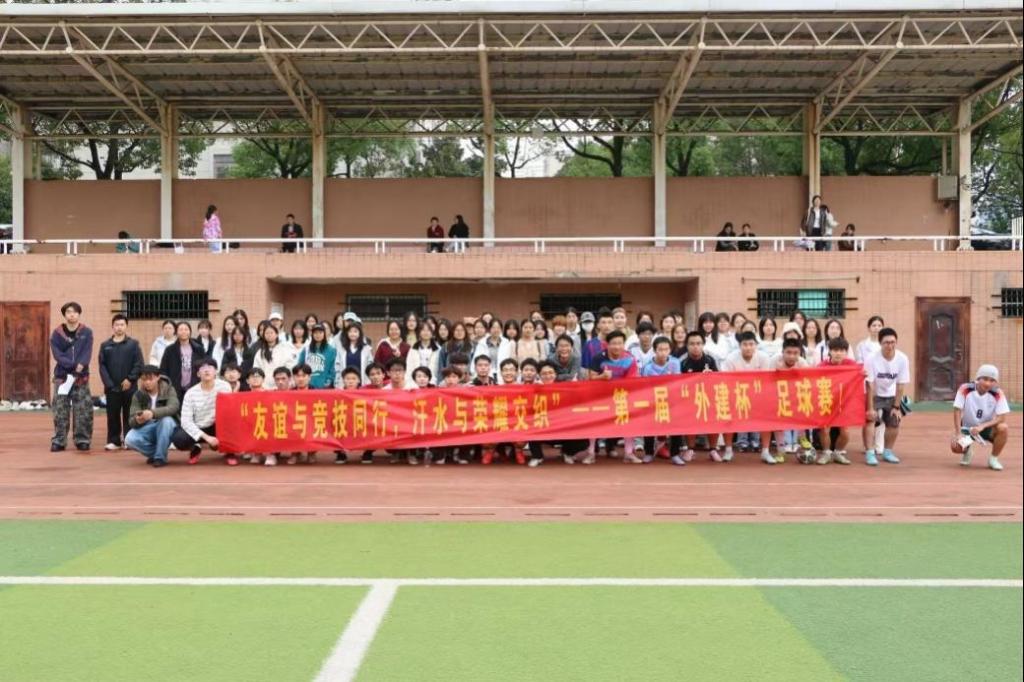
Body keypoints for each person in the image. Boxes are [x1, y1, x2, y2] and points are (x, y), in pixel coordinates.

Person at [49, 301, 95, 452]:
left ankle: (82, 439)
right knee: (60, 409)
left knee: (83, 409)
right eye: (68, 312)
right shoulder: (57, 334)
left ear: (79, 314)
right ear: (64, 315)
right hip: (62, 377)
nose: (72, 315)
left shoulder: (86, 332)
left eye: (75, 312)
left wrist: (81, 365)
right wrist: (72, 366)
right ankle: (59, 440)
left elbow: (87, 352)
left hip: (81, 377)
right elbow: (58, 354)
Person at [588, 330, 639, 463]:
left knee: (630, 419)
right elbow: (591, 378)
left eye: (620, 343)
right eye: (613, 343)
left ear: (624, 344)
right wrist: (602, 377)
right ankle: (591, 453)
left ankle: (629, 453)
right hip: (601, 397)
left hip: (622, 397)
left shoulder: (630, 359)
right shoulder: (598, 358)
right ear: (607, 345)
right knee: (593, 421)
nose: (617, 346)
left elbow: (632, 382)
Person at [527, 361, 589, 467]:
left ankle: (567, 452)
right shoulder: (534, 390)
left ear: (555, 374)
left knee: (583, 441)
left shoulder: (563, 389)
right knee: (530, 429)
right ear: (539, 375)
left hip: (562, 428)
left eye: (550, 373)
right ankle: (537, 456)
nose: (548, 376)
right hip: (542, 428)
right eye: (544, 374)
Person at [171, 357, 232, 465]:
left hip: (217, 425)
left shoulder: (224, 387)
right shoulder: (191, 393)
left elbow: (230, 411)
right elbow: (186, 422)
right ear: (198, 374)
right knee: (178, 439)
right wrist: (207, 438)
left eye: (210, 367)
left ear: (216, 371)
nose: (206, 370)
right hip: (199, 426)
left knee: (232, 424)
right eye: (203, 368)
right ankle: (195, 447)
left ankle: (230, 452)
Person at [863, 327, 910, 466]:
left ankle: (888, 452)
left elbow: (901, 385)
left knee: (894, 421)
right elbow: (870, 384)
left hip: (891, 394)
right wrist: (870, 408)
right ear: (880, 343)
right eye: (886, 342)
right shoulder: (871, 358)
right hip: (875, 393)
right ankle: (870, 452)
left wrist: (896, 407)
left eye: (892, 342)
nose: (890, 345)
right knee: (870, 420)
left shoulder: (902, 358)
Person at [723, 331, 772, 461]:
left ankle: (765, 451)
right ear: (740, 346)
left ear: (756, 345)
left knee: (767, 419)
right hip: (737, 396)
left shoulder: (764, 357)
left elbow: (766, 380)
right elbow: (726, 380)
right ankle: (728, 450)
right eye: (745, 344)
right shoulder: (731, 358)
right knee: (727, 417)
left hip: (758, 396)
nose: (748, 347)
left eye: (751, 344)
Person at [98, 314, 144, 451]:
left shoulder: (133, 344)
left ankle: (129, 440)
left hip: (130, 387)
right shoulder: (105, 345)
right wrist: (109, 384)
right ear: (113, 327)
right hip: (112, 388)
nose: (119, 327)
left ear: (126, 326)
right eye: (117, 325)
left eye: (122, 324)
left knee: (130, 414)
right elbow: (102, 366)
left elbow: (139, 364)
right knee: (112, 415)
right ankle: (114, 441)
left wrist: (130, 379)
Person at [951, 364, 1009, 471]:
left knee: (1003, 427)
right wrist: (958, 433)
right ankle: (967, 451)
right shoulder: (965, 389)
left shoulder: (998, 393)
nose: (988, 383)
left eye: (992, 380)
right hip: (968, 429)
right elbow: (957, 410)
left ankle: (993, 459)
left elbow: (1002, 418)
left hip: (986, 429)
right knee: (956, 447)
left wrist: (982, 426)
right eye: (985, 379)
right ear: (978, 378)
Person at [679, 331, 723, 464]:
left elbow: (720, 379)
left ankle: (713, 449)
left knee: (715, 416)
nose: (695, 347)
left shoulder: (711, 359)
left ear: (703, 345)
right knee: (689, 417)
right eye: (692, 344)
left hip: (709, 396)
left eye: (698, 343)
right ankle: (690, 449)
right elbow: (677, 383)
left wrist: (711, 376)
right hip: (689, 398)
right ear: (687, 346)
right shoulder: (682, 361)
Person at [123, 364, 180, 467]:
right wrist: (138, 420)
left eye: (150, 379)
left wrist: (152, 413)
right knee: (129, 439)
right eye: (144, 379)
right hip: (148, 426)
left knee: (166, 421)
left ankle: (160, 458)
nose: (147, 382)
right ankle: (157, 453)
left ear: (158, 377)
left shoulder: (168, 389)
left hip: (167, 426)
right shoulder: (138, 395)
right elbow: (131, 420)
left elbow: (173, 407)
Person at [638, 336, 683, 464]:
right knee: (649, 424)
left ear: (670, 350)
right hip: (653, 401)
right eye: (660, 350)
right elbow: (645, 387)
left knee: (677, 424)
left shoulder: (675, 363)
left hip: (672, 400)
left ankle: (675, 454)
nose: (663, 352)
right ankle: (648, 452)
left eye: (666, 349)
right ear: (654, 350)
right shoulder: (647, 367)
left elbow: (677, 382)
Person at [816, 338, 856, 465]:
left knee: (845, 432)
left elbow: (860, 376)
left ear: (846, 352)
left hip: (844, 403)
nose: (838, 353)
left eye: (842, 350)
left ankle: (838, 453)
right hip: (826, 401)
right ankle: (826, 453)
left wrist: (863, 374)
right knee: (825, 430)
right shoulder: (822, 366)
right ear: (830, 351)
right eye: (835, 350)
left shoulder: (851, 365)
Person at [159, 321, 206, 402]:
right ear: (176, 332)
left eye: (186, 329)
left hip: (194, 387)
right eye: (181, 329)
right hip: (175, 388)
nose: (184, 332)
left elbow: (204, 366)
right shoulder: (170, 350)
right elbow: (163, 369)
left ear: (190, 332)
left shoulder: (198, 349)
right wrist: (167, 386)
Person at [299, 323, 337, 389]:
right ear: (312, 334)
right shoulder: (306, 349)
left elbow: (333, 369)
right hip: (308, 386)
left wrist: (327, 382)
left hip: (324, 387)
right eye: (315, 333)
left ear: (324, 334)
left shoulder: (331, 350)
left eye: (320, 332)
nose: (318, 335)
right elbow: (300, 366)